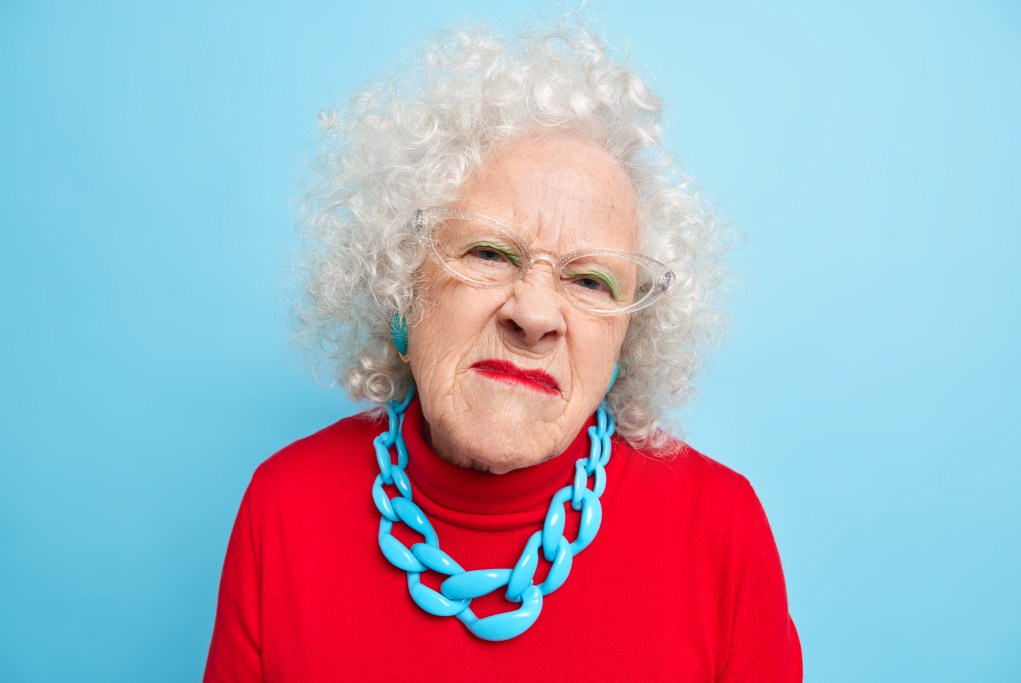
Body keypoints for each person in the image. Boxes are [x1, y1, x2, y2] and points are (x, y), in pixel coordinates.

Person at [204, 16, 801, 682]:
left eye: (589, 279)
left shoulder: (721, 532)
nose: (535, 314)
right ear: (404, 286)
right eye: (488, 252)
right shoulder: (286, 509)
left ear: (626, 335)